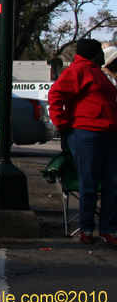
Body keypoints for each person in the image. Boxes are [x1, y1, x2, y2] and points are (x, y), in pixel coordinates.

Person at [48, 39, 117, 246]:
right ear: (96, 54)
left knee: (112, 184)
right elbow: (56, 95)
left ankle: (108, 228)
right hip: (87, 133)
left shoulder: (98, 72)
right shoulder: (77, 71)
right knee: (89, 183)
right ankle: (86, 228)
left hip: (110, 133)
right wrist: (62, 124)